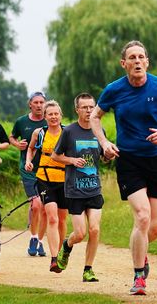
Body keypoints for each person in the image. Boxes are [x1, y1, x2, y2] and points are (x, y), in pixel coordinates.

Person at [90, 40, 157, 296]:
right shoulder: (114, 90)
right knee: (142, 216)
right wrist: (104, 142)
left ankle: (142, 252)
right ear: (124, 63)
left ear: (147, 61)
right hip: (129, 160)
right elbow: (95, 116)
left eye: (141, 57)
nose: (137, 61)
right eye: (132, 57)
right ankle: (139, 276)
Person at [53, 93, 109, 282]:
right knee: (80, 233)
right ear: (77, 109)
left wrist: (110, 154)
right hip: (74, 190)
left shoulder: (99, 130)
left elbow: (103, 156)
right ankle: (66, 246)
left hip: (94, 188)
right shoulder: (69, 131)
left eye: (91, 107)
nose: (88, 110)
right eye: (84, 107)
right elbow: (55, 156)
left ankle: (88, 269)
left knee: (94, 229)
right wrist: (71, 160)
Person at [26, 100, 67, 274]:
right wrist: (28, 161)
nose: (53, 117)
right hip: (44, 178)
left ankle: (61, 253)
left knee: (62, 219)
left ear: (60, 115)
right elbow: (30, 148)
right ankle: (54, 258)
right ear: (44, 116)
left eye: (56, 113)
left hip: (65, 179)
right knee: (51, 218)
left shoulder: (68, 132)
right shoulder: (39, 132)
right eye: (50, 114)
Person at [10, 91, 48, 257]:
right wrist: (17, 144)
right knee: (36, 204)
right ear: (30, 105)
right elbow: (11, 136)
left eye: (42, 102)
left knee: (47, 208)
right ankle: (33, 237)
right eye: (36, 102)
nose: (39, 105)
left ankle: (40, 241)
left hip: (48, 169)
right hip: (28, 168)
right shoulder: (22, 122)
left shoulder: (50, 120)